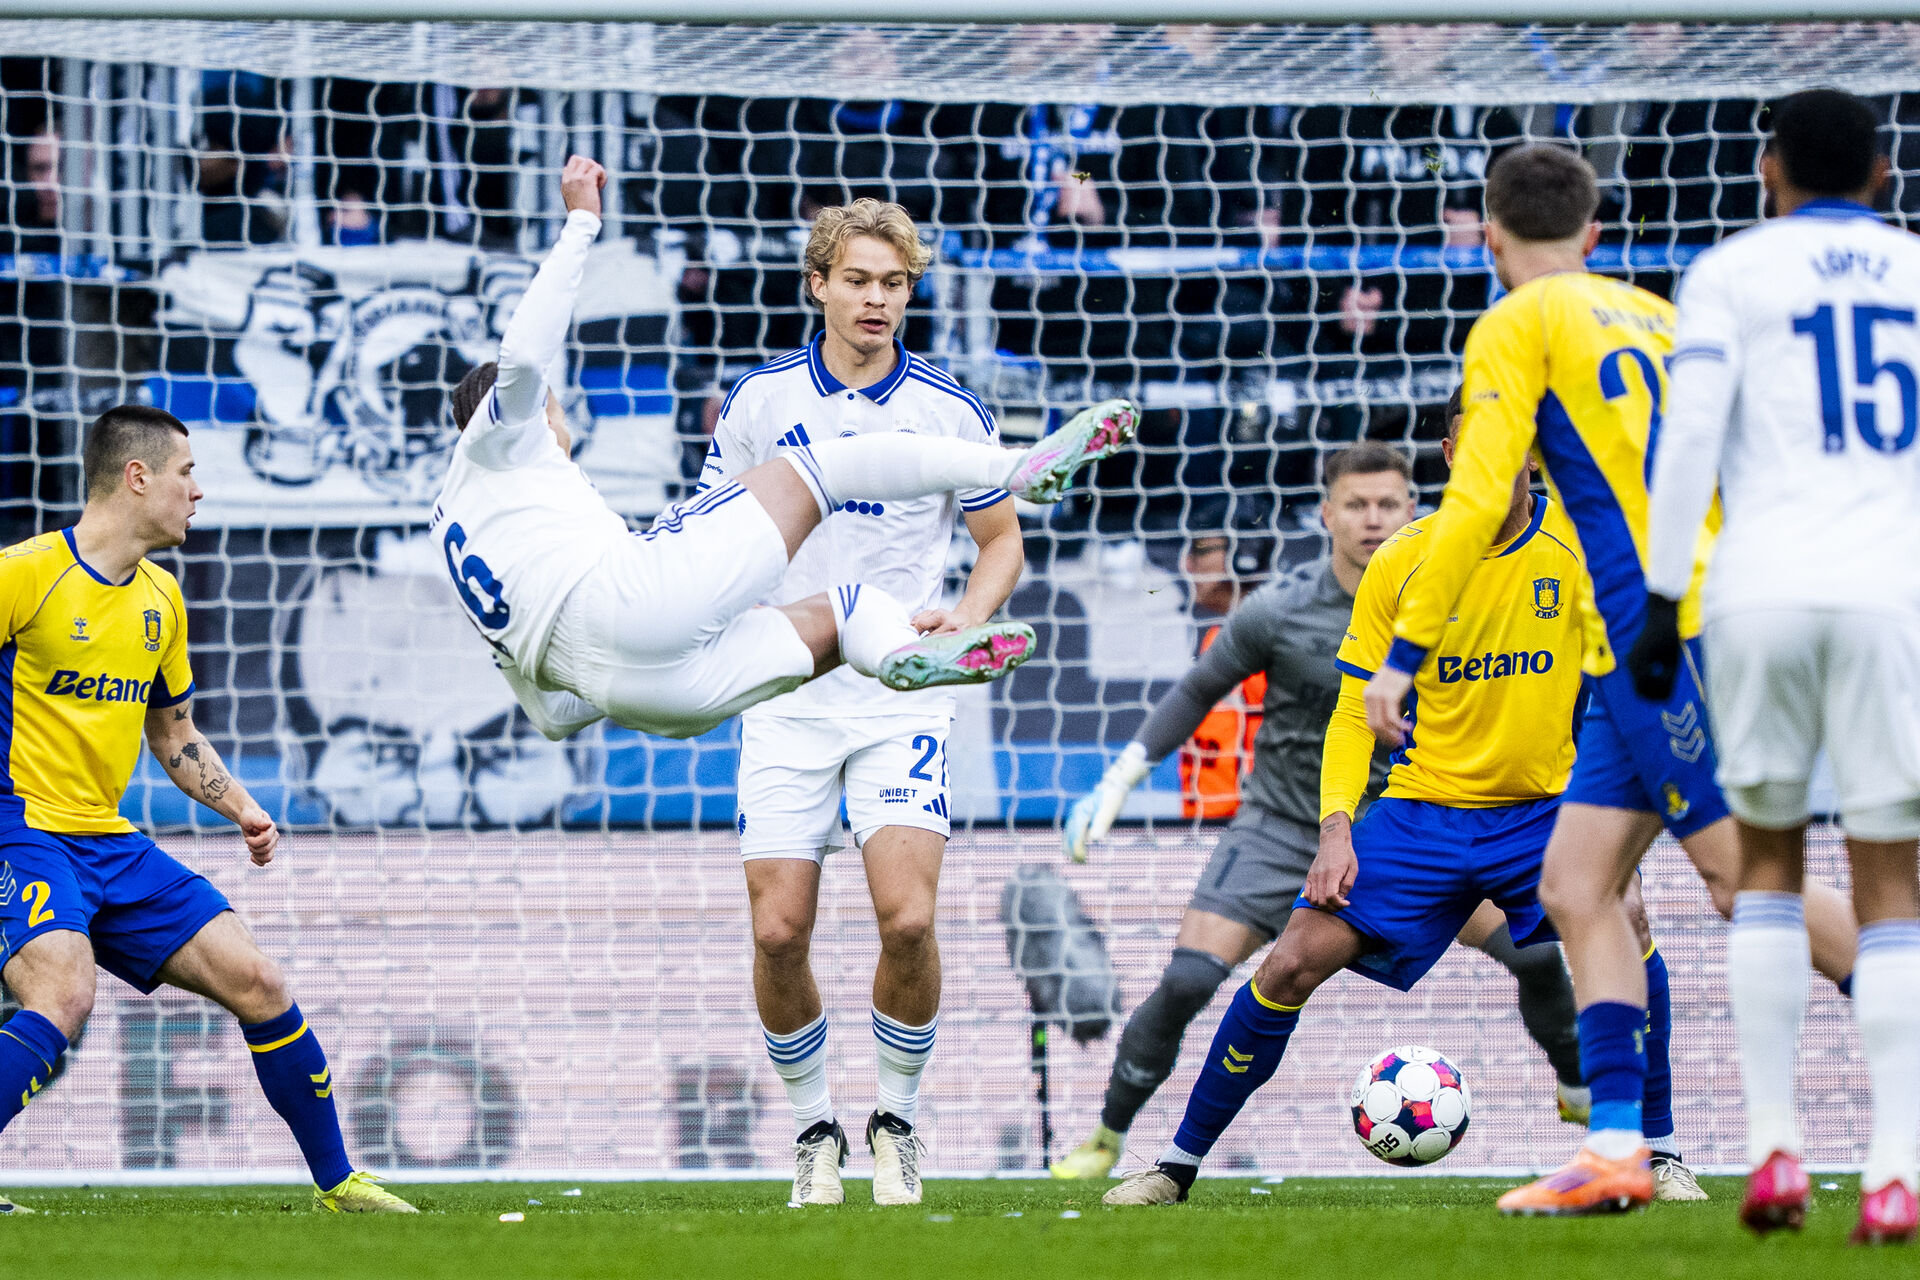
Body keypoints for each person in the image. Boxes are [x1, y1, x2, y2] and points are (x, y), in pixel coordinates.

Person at [1363, 143, 1857, 1217]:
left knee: (1738, 880)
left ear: (1490, 237)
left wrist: (1405, 655)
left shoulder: (1516, 324)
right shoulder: (1659, 316)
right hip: (1671, 628)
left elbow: (1477, 500)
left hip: (1660, 632)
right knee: (1577, 886)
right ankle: (1619, 1149)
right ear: (1593, 234)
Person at [1102, 394, 1681, 1204]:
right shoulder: (1404, 560)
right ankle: (1174, 1165)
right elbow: (1352, 710)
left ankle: (1659, 1152)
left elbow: (1636, 673)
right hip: (1421, 813)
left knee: (1630, 921)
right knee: (1290, 961)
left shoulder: (1583, 546)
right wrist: (1336, 828)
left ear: (1534, 452)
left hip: (1545, 813)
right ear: (1450, 455)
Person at [432, 158, 1136, 747]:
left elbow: (552, 718)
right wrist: (582, 222)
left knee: (854, 611)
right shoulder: (503, 437)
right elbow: (523, 357)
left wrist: (631, 666)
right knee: (826, 466)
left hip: (641, 695)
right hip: (633, 603)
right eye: (556, 415)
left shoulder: (455, 527)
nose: (563, 431)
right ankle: (1016, 468)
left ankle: (905, 655)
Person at [0, 404, 414, 1215]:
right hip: (20, 827)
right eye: (187, 473)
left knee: (257, 979)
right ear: (137, 476)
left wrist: (243, 808)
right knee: (64, 992)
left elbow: (174, 734)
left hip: (106, 840)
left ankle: (340, 1184)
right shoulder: (24, 574)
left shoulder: (161, 598)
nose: (198, 492)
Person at [695, 198, 1025, 1208]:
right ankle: (814, 1130)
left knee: (908, 917)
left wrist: (966, 621)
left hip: (900, 693)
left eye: (894, 283)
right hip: (785, 690)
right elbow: (710, 533)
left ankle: (895, 1121)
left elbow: (1001, 542)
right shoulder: (759, 401)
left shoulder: (951, 410)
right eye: (858, 280)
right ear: (819, 285)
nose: (877, 298)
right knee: (778, 931)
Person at [1635, 89, 1920, 1244]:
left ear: (1767, 168)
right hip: (1892, 590)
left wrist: (1662, 598)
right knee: (1892, 882)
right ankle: (1895, 1167)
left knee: (1765, 865)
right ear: (1884, 173)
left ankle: (1772, 1149)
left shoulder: (1731, 272)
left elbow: (1688, 437)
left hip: (1758, 588)